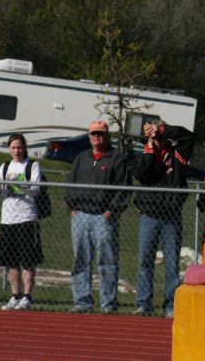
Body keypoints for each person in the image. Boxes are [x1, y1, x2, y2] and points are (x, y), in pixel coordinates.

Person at [64, 120, 130, 314]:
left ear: (107, 136)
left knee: (107, 261)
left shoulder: (116, 158)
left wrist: (111, 211)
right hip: (80, 215)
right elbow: (70, 184)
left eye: (100, 134)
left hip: (104, 217)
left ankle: (108, 303)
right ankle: (82, 301)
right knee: (80, 260)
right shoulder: (81, 157)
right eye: (93, 133)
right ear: (89, 135)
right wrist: (72, 208)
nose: (96, 137)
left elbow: (124, 188)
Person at [132, 122, 194, 318]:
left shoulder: (178, 153)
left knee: (171, 263)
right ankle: (144, 303)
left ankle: (170, 305)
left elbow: (188, 136)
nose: (157, 141)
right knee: (145, 260)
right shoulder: (146, 155)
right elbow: (141, 175)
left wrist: (161, 129)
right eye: (153, 138)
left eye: (159, 137)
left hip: (171, 215)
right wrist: (150, 153)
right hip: (149, 215)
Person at [0, 134, 43, 310]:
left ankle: (27, 296)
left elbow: (35, 189)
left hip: (26, 218)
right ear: (9, 149)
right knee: (11, 261)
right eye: (13, 148)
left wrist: (19, 183)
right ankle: (15, 295)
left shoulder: (32, 165)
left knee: (27, 260)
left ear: (24, 148)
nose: (16, 151)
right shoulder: (5, 166)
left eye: (19, 147)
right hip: (8, 219)